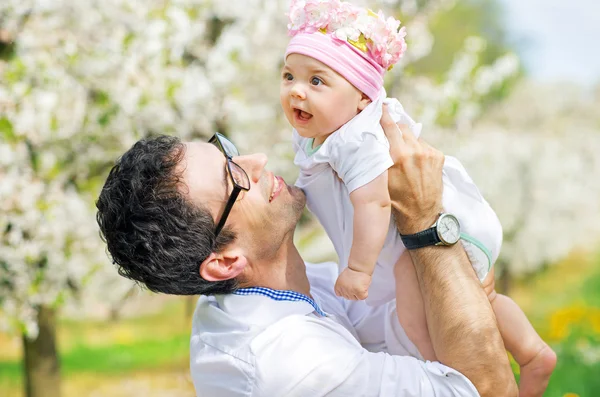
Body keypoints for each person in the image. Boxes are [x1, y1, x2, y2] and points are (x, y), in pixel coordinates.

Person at [96, 109, 518, 396]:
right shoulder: (289, 364)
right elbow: (488, 389)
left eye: (228, 150)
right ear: (224, 262)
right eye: (235, 177)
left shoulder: (297, 284)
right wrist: (426, 221)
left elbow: (403, 327)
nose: (258, 160)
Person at [280, 1, 556, 395]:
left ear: (362, 98)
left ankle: (443, 371)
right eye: (289, 76)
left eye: (317, 81)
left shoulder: (357, 140)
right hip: (456, 224)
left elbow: (373, 203)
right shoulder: (328, 132)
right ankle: (532, 352)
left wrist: (358, 270)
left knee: (417, 306)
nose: (297, 92)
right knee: (484, 294)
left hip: (434, 231)